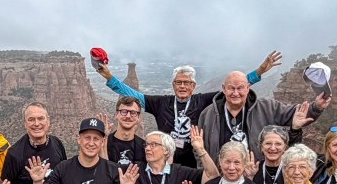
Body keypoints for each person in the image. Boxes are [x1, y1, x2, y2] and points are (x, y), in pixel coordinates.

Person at [95, 51, 281, 167]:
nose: (182, 86)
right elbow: (132, 95)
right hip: (165, 162)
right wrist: (109, 77)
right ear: (173, 85)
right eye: (178, 82)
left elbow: (235, 88)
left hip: (193, 164)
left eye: (187, 83)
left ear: (193, 86)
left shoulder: (203, 101)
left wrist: (260, 71)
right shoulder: (161, 103)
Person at [198, 71, 327, 162]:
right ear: (224, 89)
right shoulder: (208, 114)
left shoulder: (267, 107)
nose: (235, 93)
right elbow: (199, 148)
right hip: (221, 176)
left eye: (240, 88)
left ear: (248, 88)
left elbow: (297, 113)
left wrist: (316, 107)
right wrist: (208, 172)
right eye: (231, 88)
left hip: (255, 176)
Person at [100, 96, 146, 172]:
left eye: (133, 113)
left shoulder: (144, 147)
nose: (128, 116)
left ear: (138, 117)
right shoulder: (104, 143)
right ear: (116, 115)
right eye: (124, 112)